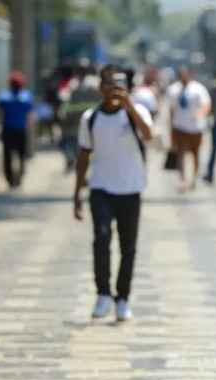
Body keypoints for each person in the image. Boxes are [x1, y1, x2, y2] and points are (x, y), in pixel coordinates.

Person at [73, 67, 154, 322]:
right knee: (101, 238)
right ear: (101, 88)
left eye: (120, 84)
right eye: (110, 84)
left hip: (130, 189)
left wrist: (129, 105)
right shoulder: (91, 118)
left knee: (127, 247)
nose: (115, 89)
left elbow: (149, 135)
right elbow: (83, 156)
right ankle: (103, 294)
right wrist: (76, 193)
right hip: (101, 188)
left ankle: (123, 298)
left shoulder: (136, 112)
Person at [167, 66, 211, 191]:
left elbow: (206, 104)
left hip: (195, 128)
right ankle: (182, 179)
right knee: (181, 153)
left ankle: (194, 177)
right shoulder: (173, 90)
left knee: (195, 153)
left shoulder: (198, 89)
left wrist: (200, 114)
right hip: (180, 127)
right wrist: (171, 128)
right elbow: (171, 110)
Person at [0, 71, 34, 188]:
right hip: (20, 130)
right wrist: (30, 129)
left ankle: (11, 178)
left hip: (9, 129)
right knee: (20, 154)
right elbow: (30, 115)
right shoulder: (26, 96)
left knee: (9, 155)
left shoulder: (4, 96)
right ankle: (18, 175)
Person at [62, 62, 101, 172]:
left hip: (78, 122)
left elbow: (66, 105)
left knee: (80, 148)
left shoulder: (72, 84)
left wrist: (65, 121)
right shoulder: (95, 83)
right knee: (90, 147)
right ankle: (86, 170)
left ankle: (83, 170)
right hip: (91, 122)